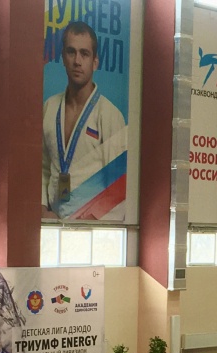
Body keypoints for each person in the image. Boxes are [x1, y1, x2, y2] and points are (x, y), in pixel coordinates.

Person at [42, 20, 126, 220]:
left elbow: (119, 186)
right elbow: (42, 167)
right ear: (63, 57)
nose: (77, 61)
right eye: (71, 52)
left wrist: (89, 222)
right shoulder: (50, 107)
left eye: (84, 54)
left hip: (92, 225)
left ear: (95, 62)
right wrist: (42, 210)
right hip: (51, 221)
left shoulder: (110, 115)